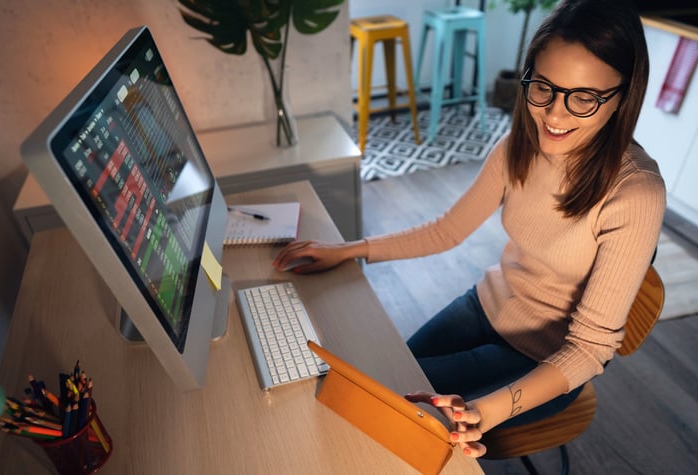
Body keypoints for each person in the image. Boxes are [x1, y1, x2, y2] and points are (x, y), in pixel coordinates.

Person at [273, 0, 665, 458]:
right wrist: (347, 250)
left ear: (622, 97)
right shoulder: (518, 144)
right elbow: (446, 231)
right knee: (378, 382)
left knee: (389, 416)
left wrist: (489, 410)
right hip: (485, 307)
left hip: (544, 362)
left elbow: (588, 349)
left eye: (583, 98)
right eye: (543, 87)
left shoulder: (635, 193)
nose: (554, 116)